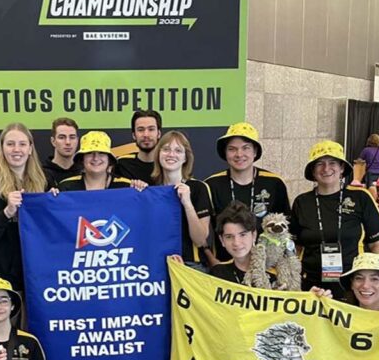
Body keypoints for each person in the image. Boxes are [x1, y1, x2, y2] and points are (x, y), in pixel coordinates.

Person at [290, 141, 379, 298]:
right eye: (320, 164)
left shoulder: (360, 198)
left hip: (353, 286)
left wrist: (378, 284)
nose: (326, 168)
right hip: (311, 287)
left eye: (332, 163)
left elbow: (377, 245)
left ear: (342, 168)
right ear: (313, 171)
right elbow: (294, 247)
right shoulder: (301, 202)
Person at [0, 123, 50, 312]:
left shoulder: (46, 180)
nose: (17, 150)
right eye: (10, 144)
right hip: (2, 282)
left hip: (37, 278)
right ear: (2, 148)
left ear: (30, 149)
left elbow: (55, 230)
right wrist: (6, 213)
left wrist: (54, 202)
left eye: (22, 144)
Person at [205, 122, 290, 264]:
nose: (239, 154)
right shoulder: (211, 185)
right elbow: (202, 232)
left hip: (266, 266)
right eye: (232, 149)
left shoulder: (275, 183)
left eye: (246, 148)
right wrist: (212, 261)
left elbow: (286, 229)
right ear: (225, 153)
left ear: (255, 152)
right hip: (224, 267)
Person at [150, 131, 212, 270]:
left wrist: (187, 203)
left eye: (178, 150)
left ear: (185, 158)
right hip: (158, 264)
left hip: (191, 265)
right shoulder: (151, 191)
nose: (171, 154)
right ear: (158, 154)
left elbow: (200, 240)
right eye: (166, 149)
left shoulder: (198, 188)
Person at [57, 131, 145, 192]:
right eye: (90, 153)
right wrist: (51, 197)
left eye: (101, 153)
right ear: (82, 159)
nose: (95, 158)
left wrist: (141, 188)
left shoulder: (126, 186)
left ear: (109, 159)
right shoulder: (66, 188)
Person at [113, 109, 162, 184]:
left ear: (158, 133)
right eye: (140, 130)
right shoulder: (121, 164)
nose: (146, 134)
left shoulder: (168, 164)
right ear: (134, 135)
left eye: (151, 129)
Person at [42, 117, 81, 187]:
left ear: (77, 140)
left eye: (72, 137)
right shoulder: (41, 173)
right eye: (62, 137)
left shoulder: (85, 172)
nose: (68, 142)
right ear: (53, 141)